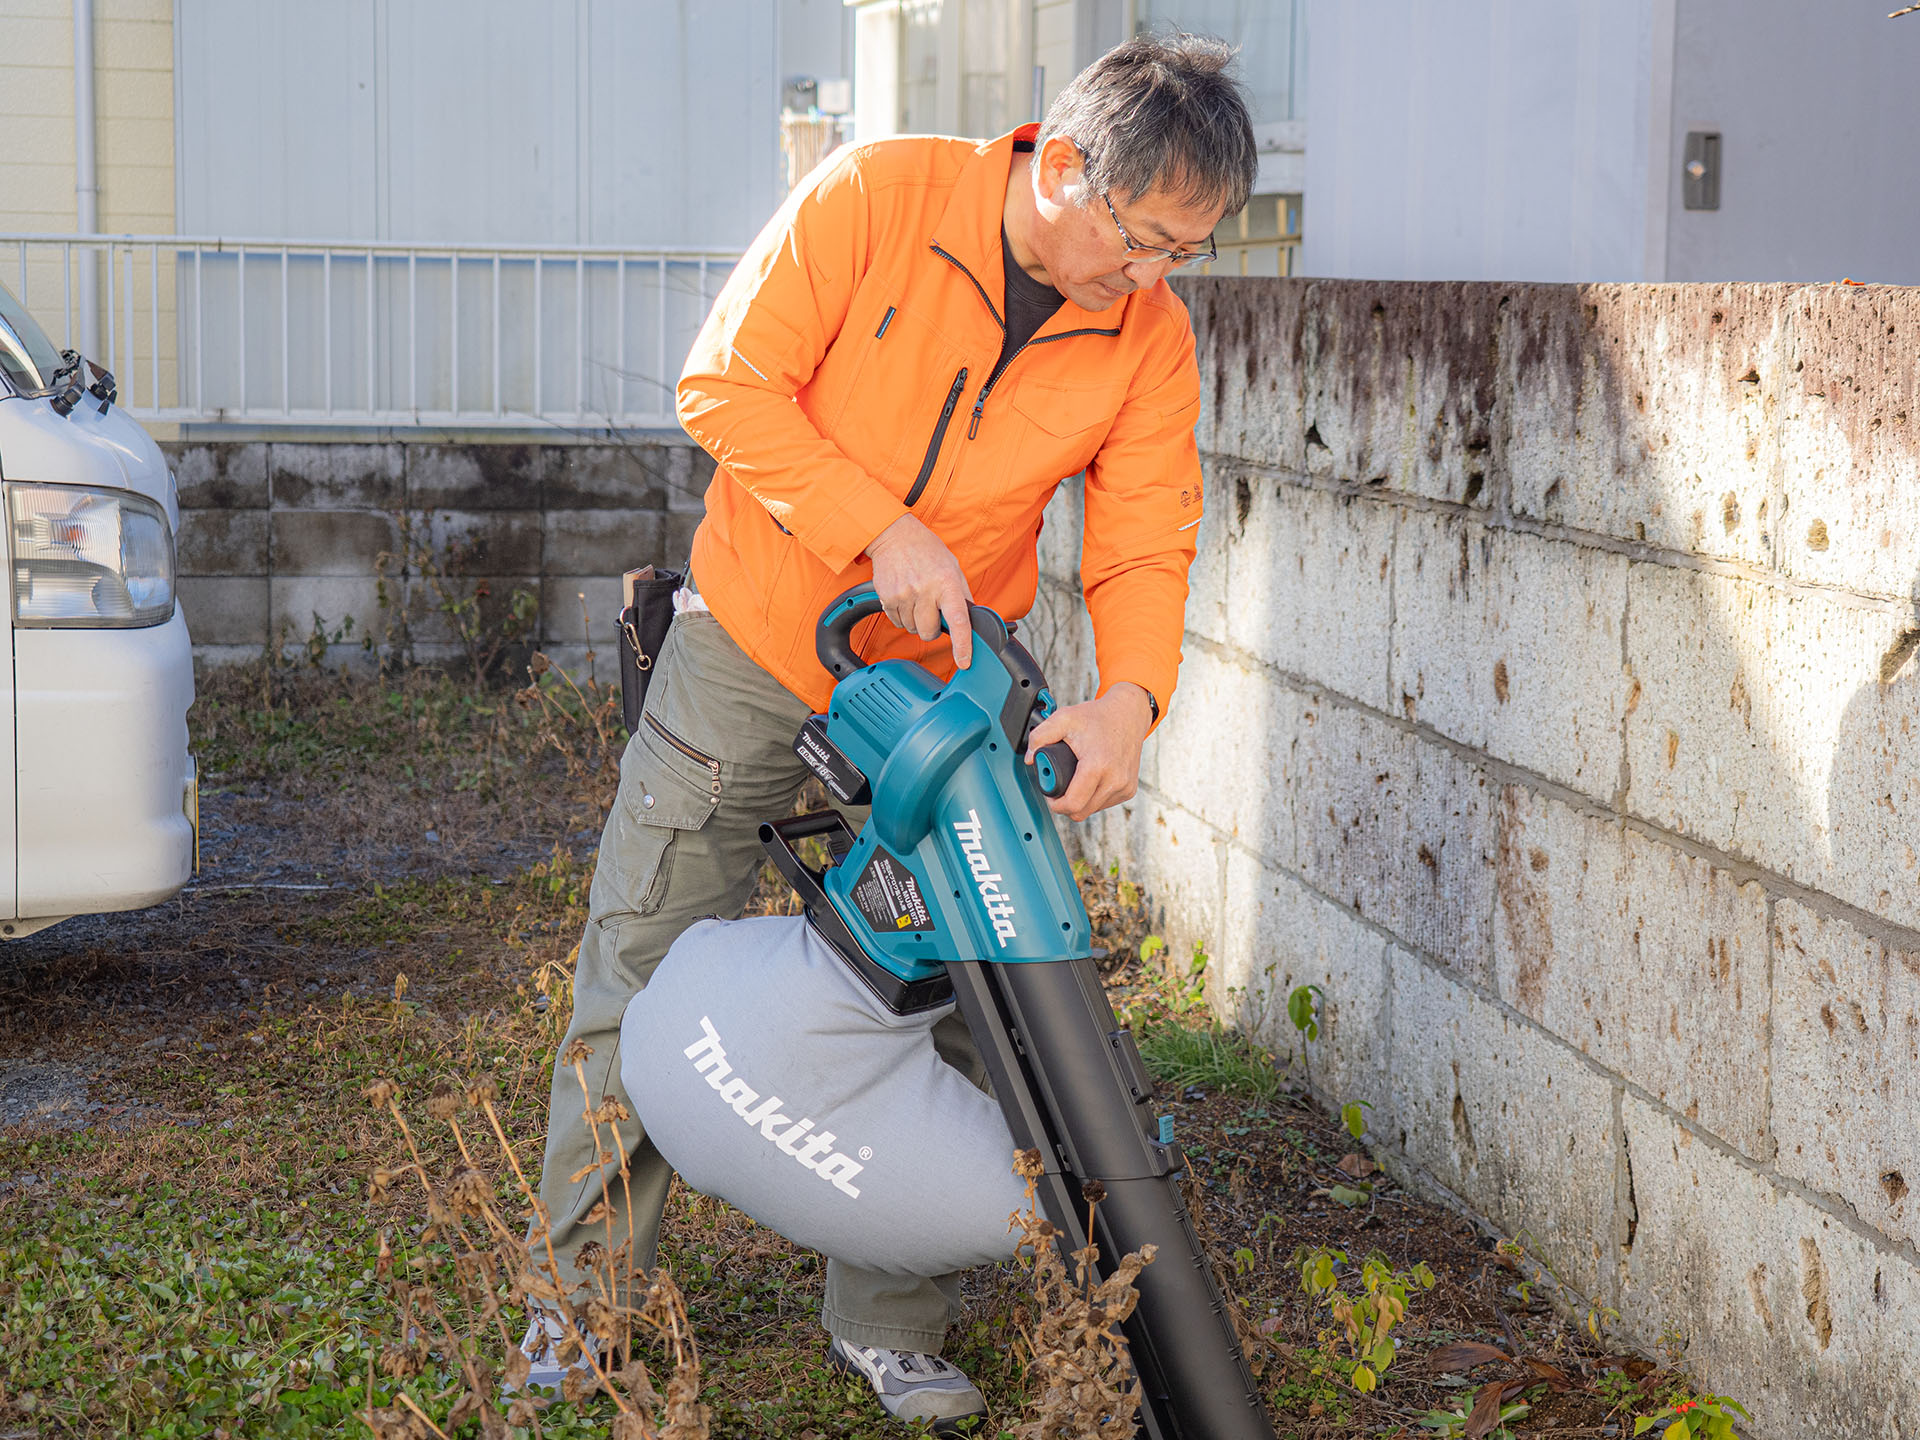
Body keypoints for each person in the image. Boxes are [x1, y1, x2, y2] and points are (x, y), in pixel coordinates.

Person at [520, 30, 1256, 1434]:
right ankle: (587, 1306)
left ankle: (888, 1316)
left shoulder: (1147, 338)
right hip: (750, 639)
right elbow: (723, 387)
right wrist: (881, 526)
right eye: (1145, 239)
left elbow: (1147, 536)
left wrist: (1131, 700)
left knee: (949, 983)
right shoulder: (873, 200)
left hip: (935, 692)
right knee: (639, 943)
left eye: (1187, 253)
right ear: (1061, 166)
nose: (1154, 280)